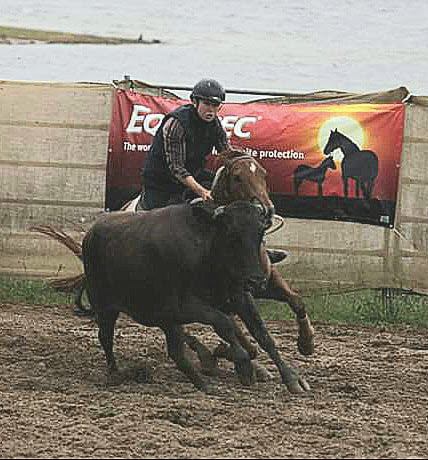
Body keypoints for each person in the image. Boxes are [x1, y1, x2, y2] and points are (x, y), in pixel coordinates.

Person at [140, 78, 229, 210]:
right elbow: (177, 168)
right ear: (194, 102)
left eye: (215, 105)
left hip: (194, 173)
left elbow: (227, 154)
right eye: (206, 104)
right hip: (161, 181)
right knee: (164, 217)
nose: (211, 110)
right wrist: (203, 192)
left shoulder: (215, 124)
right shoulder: (177, 123)